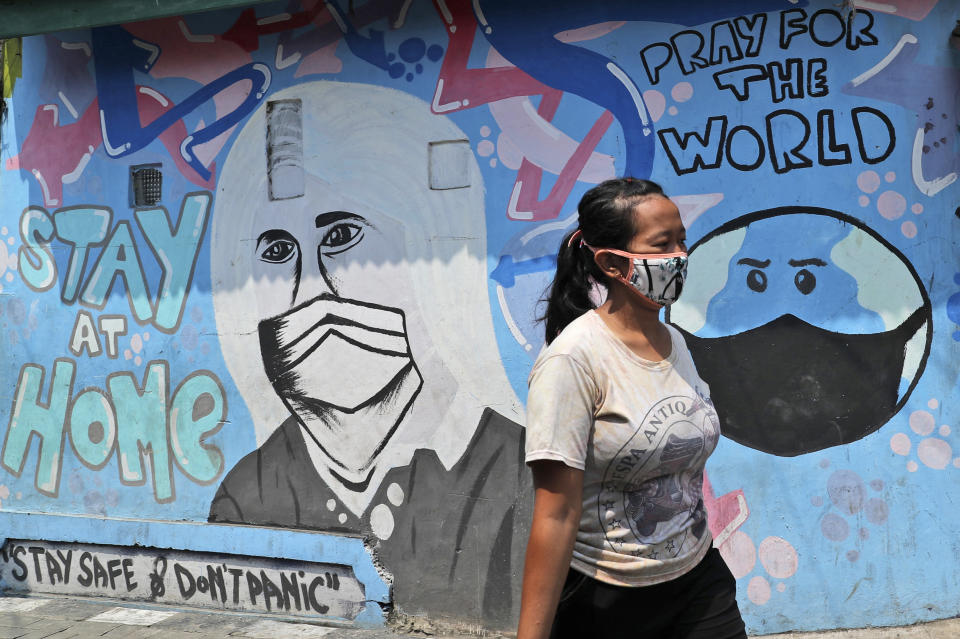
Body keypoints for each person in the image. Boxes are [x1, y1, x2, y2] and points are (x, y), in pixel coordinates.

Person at [517, 177, 746, 639]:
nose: (680, 255)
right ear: (610, 262)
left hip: (699, 581)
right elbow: (555, 515)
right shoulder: (572, 361)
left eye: (682, 239)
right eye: (662, 244)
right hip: (606, 600)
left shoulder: (675, 341)